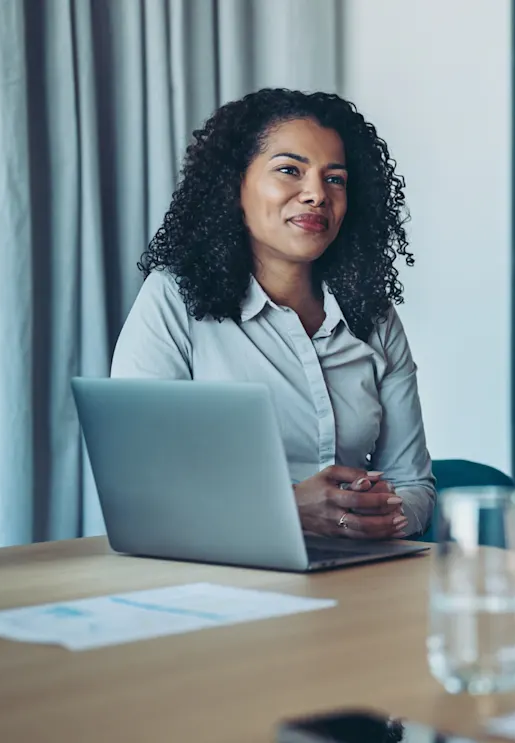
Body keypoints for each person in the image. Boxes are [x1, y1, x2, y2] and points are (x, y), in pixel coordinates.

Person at [112, 89, 435, 541]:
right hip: (221, 574)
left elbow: (412, 482)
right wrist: (287, 509)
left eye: (335, 179)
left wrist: (374, 515)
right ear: (234, 184)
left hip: (360, 571)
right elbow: (140, 486)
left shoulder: (374, 316)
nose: (316, 195)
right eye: (289, 170)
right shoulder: (173, 299)